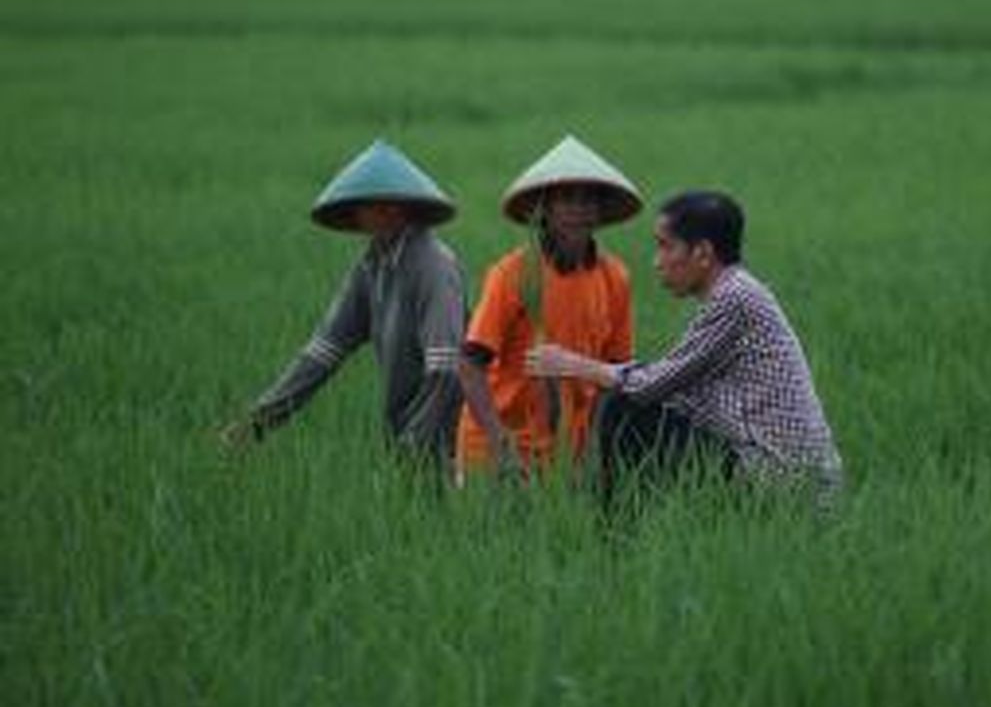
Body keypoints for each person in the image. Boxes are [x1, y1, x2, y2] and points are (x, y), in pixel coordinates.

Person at [527, 190, 843, 511]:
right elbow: (679, 390)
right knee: (631, 404)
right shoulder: (737, 292)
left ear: (703, 253)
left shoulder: (735, 299)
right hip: (778, 473)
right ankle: (619, 522)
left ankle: (609, 530)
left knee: (622, 408)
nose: (657, 262)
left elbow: (654, 384)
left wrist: (576, 365)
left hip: (781, 481)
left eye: (665, 246)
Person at [220, 139, 467, 466]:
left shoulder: (433, 266)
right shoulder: (372, 265)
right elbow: (322, 354)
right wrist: (255, 425)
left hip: (451, 442)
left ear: (392, 207)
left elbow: (447, 370)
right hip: (405, 435)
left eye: (361, 207)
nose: (356, 218)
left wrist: (415, 444)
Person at [455, 135, 640, 481]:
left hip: (568, 456)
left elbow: (615, 374)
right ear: (545, 210)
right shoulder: (514, 273)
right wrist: (500, 443)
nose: (578, 209)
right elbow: (469, 364)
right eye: (566, 199)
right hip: (495, 450)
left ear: (600, 211)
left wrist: (596, 449)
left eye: (587, 200)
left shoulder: (614, 277)